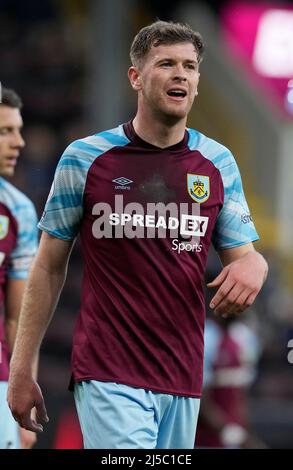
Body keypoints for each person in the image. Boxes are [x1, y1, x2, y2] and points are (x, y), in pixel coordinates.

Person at [7, 20, 268, 449]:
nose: (180, 73)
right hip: (109, 372)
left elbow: (245, 257)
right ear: (136, 77)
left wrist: (255, 264)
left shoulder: (217, 163)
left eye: (189, 66)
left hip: (183, 377)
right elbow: (49, 265)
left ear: (198, 82)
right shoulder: (86, 157)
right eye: (166, 63)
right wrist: (21, 369)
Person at [0, 87, 38, 449]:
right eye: (5, 131)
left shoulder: (19, 211)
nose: (19, 142)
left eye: (18, 129)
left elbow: (18, 320)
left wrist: (21, 405)